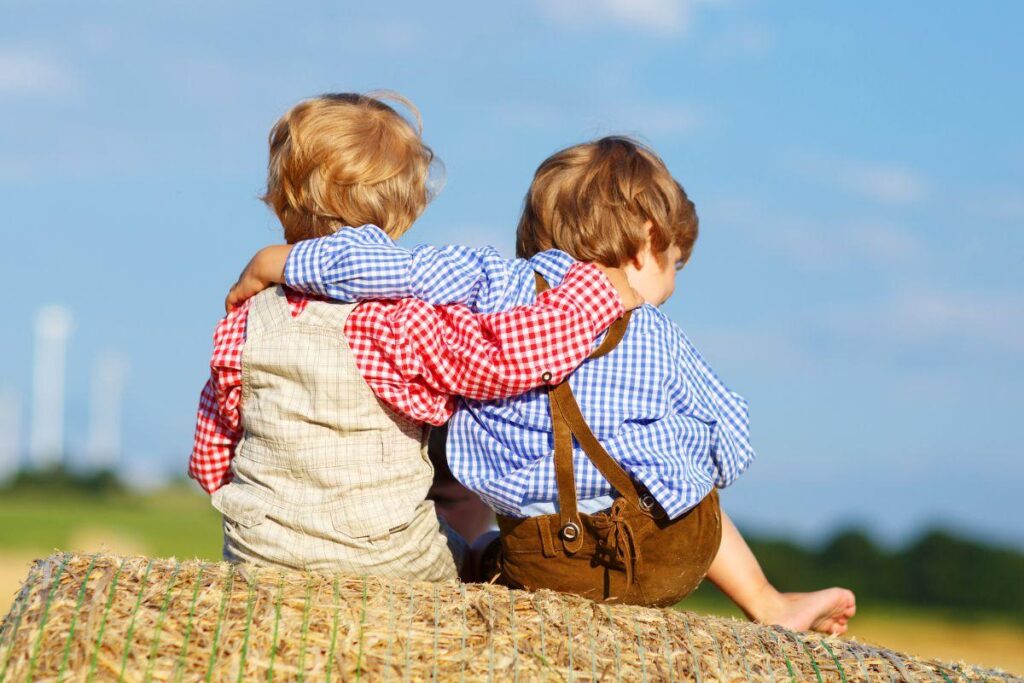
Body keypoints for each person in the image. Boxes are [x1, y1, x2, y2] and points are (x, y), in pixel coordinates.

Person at [228, 136, 857, 635]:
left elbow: (382, 265)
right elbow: (733, 438)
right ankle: (769, 604)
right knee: (693, 484)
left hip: (546, 564)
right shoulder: (658, 333)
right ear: (647, 244)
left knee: (478, 552)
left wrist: (278, 261)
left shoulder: (489, 282)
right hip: (669, 553)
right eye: (677, 265)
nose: (674, 282)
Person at [189, 93, 642, 583]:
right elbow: (501, 358)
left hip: (259, 551)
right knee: (481, 554)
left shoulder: (246, 320)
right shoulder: (398, 320)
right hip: (384, 556)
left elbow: (212, 450)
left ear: (278, 201)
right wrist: (595, 298)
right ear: (405, 212)